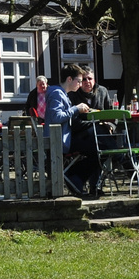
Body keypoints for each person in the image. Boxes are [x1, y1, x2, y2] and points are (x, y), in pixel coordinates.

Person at [45, 63, 99, 196]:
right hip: (58, 141)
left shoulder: (62, 93)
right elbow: (56, 117)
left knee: (97, 146)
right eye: (79, 81)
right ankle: (73, 177)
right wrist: (76, 109)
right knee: (98, 148)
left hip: (62, 138)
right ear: (70, 79)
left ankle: (75, 178)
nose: (80, 84)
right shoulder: (58, 94)